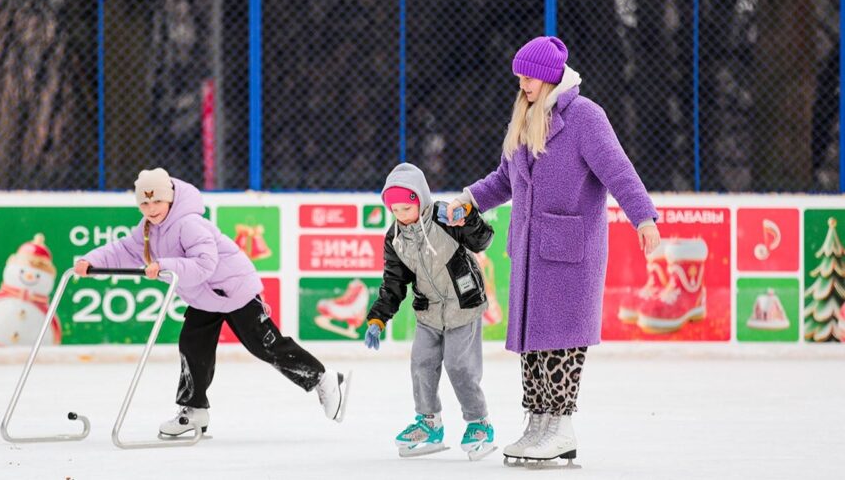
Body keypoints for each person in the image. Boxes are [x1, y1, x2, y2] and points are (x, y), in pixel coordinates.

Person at [446, 36, 661, 464]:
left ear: (548, 78)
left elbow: (619, 170)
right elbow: (505, 180)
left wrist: (644, 216)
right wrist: (468, 199)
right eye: (519, 77)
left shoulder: (585, 118)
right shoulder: (527, 118)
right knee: (533, 342)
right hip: (529, 252)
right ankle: (538, 422)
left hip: (569, 254)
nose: (521, 84)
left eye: (527, 77)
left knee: (561, 340)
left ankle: (561, 426)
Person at [75, 168, 350, 438]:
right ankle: (193, 410)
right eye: (144, 203)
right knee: (192, 345)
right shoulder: (148, 229)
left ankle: (323, 379)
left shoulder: (189, 223)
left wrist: (164, 266)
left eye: (157, 200)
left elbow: (205, 265)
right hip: (203, 296)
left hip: (234, 290)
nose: (151, 208)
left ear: (170, 198)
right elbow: (123, 249)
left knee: (266, 346)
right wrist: (92, 261)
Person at [364, 162, 497, 460]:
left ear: (420, 200)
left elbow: (483, 240)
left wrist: (469, 218)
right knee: (421, 363)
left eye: (405, 209)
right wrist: (378, 318)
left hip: (463, 304)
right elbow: (394, 282)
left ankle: (479, 423)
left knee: (459, 365)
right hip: (429, 311)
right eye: (394, 211)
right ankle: (429, 422)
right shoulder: (395, 237)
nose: (401, 216)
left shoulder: (444, 216)